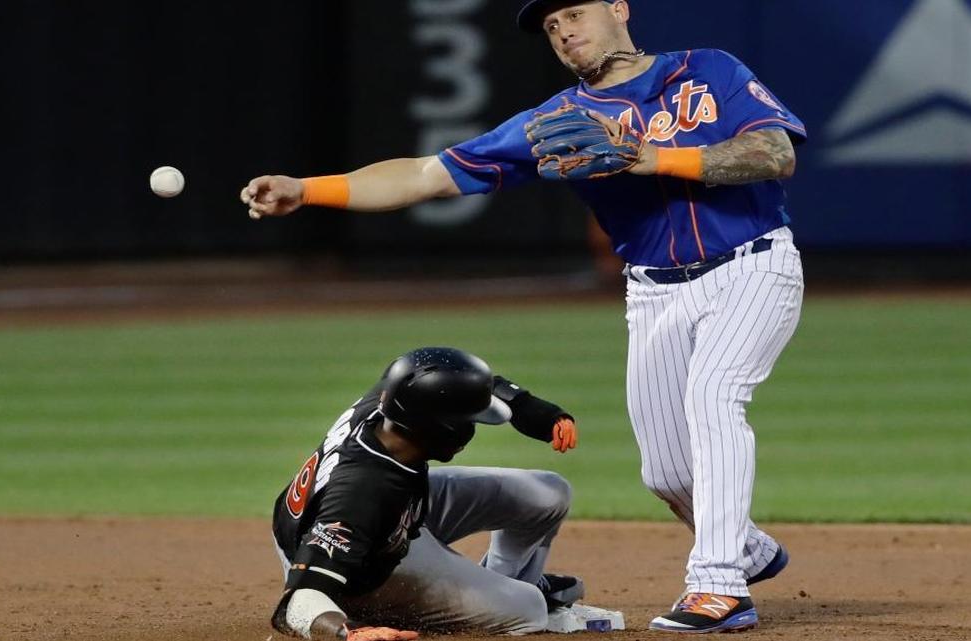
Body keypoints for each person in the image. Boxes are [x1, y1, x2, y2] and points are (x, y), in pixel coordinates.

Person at [244, 0, 802, 633]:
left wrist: (650, 158)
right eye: (552, 26)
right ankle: (747, 548)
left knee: (713, 399)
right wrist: (307, 189)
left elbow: (773, 153)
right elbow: (427, 175)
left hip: (751, 264)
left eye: (575, 13)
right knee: (668, 472)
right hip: (654, 291)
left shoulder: (707, 70)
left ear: (619, 8)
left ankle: (719, 586)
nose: (563, 31)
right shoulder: (553, 123)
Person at [270, 347, 584, 640]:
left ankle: (505, 583)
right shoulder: (363, 491)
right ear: (442, 428)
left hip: (385, 516)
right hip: (355, 570)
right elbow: (297, 601)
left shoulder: (400, 398)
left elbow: (460, 381)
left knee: (549, 493)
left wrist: (542, 414)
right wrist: (348, 632)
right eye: (468, 422)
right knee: (530, 608)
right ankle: (373, 611)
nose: (472, 429)